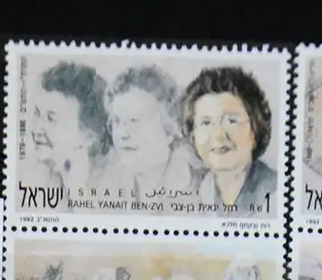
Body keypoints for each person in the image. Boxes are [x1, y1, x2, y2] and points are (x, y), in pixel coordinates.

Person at [185, 66, 279, 215]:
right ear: (193, 135)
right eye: (206, 123)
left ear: (255, 130)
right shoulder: (197, 194)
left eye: (231, 121)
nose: (218, 135)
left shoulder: (275, 192)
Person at [101, 63, 196, 209]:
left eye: (134, 121)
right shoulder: (108, 182)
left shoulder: (198, 191)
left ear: (169, 130)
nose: (122, 134)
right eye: (117, 121)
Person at [23, 60, 111, 208]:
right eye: (37, 114)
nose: (37, 128)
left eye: (51, 119)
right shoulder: (46, 177)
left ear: (88, 134)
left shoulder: (109, 187)